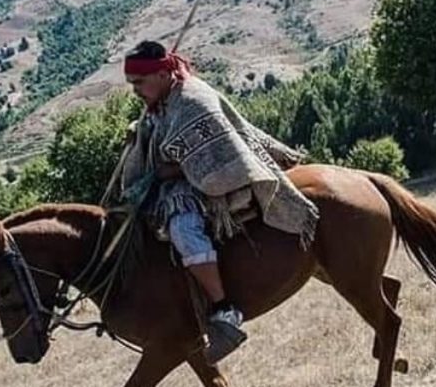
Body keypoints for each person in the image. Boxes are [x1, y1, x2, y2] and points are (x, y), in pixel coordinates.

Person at [120, 40, 318, 364]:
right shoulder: (163, 100)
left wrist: (165, 168)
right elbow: (164, 137)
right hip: (182, 180)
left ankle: (224, 309)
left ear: (161, 74)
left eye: (139, 82)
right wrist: (140, 134)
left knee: (183, 228)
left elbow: (210, 155)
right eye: (132, 84)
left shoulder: (192, 100)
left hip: (215, 182)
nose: (135, 91)